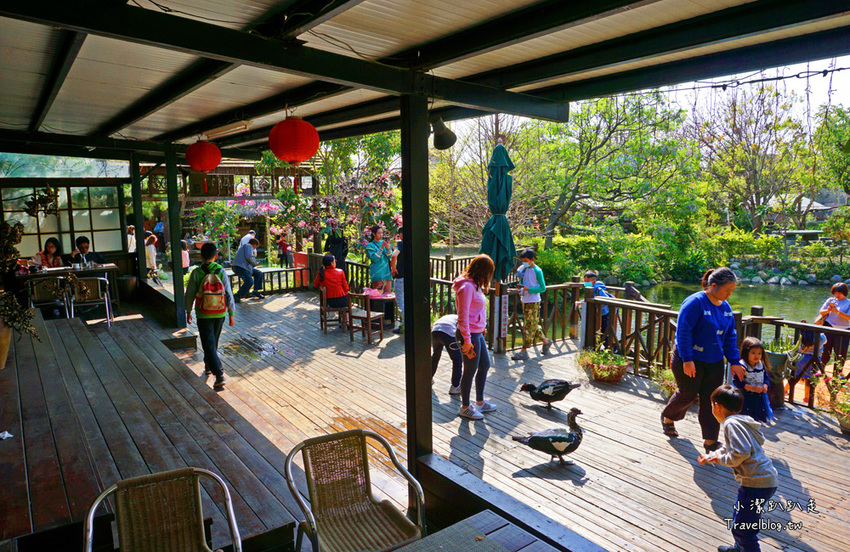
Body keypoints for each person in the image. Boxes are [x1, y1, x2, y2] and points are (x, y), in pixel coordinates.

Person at [661, 267, 747, 453]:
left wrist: (734, 361)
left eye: (732, 292)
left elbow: (730, 336)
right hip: (690, 358)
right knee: (688, 394)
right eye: (727, 291)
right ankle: (668, 416)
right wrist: (687, 359)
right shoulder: (695, 303)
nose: (729, 295)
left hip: (714, 361)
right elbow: (683, 332)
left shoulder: (725, 308)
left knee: (712, 401)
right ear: (713, 286)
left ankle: (710, 441)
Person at [698, 385, 778, 552]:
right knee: (740, 518)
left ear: (717, 405)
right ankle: (739, 547)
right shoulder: (740, 421)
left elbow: (739, 453)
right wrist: (713, 455)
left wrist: (719, 459)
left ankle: (746, 548)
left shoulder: (730, 424)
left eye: (712, 405)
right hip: (762, 480)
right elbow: (729, 447)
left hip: (756, 482)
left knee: (744, 528)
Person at [184, 242, 235, 390]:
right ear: (216, 256)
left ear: (201, 256)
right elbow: (228, 293)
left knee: (209, 343)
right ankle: (208, 366)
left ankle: (219, 375)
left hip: (203, 313)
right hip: (220, 312)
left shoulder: (196, 273)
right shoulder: (221, 271)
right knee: (213, 342)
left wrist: (188, 311)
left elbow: (189, 295)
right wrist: (231, 313)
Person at [454, 254, 497, 420]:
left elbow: (477, 311)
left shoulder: (476, 285)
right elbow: (463, 316)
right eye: (489, 272)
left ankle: (480, 402)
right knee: (470, 371)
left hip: (477, 333)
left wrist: (482, 328)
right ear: (483, 271)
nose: (490, 276)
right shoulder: (466, 288)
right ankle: (465, 407)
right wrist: (466, 340)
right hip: (469, 335)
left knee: (485, 365)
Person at [511, 249, 552, 360]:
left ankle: (524, 351)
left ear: (532, 259)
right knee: (531, 324)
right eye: (522, 260)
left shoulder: (537, 271)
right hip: (524, 299)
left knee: (528, 326)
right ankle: (545, 341)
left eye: (525, 260)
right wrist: (521, 287)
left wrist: (528, 289)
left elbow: (542, 288)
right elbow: (525, 283)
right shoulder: (524, 269)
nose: (523, 262)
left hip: (533, 301)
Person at [734, 337, 775, 424]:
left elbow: (766, 377)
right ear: (746, 352)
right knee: (746, 416)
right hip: (746, 396)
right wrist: (751, 387)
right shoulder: (743, 365)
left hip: (759, 396)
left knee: (757, 416)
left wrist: (765, 385)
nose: (757, 356)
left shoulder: (760, 364)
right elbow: (737, 382)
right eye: (753, 353)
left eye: (759, 353)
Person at [365, 225, 394, 325]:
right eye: (379, 233)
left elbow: (390, 256)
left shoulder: (384, 243)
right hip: (377, 273)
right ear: (373, 234)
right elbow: (375, 258)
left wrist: (387, 247)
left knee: (388, 296)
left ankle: (388, 319)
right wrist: (381, 248)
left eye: (382, 233)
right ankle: (377, 321)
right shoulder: (370, 245)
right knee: (378, 296)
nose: (381, 235)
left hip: (386, 272)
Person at [818, 282, 850, 373]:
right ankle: (821, 369)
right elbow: (821, 312)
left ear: (844, 293)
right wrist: (828, 310)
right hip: (828, 327)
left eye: (839, 293)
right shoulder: (830, 300)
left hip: (843, 330)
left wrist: (837, 312)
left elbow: (849, 317)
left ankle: (838, 373)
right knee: (825, 350)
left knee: (841, 353)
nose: (837, 295)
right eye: (835, 293)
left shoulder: (848, 303)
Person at [431, 314, 462, 395]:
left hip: (435, 331)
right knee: (457, 359)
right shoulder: (461, 318)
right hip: (448, 332)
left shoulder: (451, 316)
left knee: (436, 355)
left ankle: (428, 378)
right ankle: (455, 386)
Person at [232, 237, 264, 303]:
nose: (255, 248)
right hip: (240, 267)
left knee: (258, 273)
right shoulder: (248, 246)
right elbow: (249, 257)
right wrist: (255, 263)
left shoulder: (246, 247)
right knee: (249, 281)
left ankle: (255, 291)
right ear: (254, 244)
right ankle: (237, 295)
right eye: (256, 246)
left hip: (245, 268)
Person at [390, 228, 404, 334]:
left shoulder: (401, 244)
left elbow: (394, 255)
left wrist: (393, 268)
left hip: (400, 277)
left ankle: (404, 325)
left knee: (401, 303)